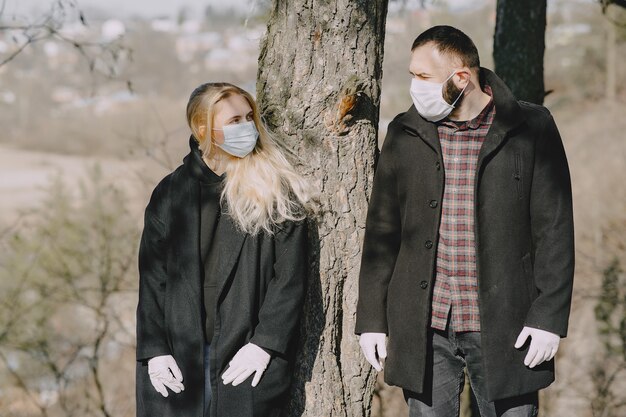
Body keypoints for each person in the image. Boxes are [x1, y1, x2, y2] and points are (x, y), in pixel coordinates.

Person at [355, 25, 574, 417]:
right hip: (424, 326)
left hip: (509, 325)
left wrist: (549, 318)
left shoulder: (532, 127)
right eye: (412, 76)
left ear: (461, 78)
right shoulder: (404, 133)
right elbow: (381, 231)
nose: (414, 87)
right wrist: (372, 318)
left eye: (423, 77)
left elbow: (554, 228)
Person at [135, 82, 313, 417]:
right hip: (178, 359)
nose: (247, 127)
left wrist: (265, 344)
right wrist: (154, 350)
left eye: (249, 117)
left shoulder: (272, 189)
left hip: (244, 357)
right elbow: (151, 279)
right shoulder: (170, 194)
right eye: (234, 121)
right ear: (202, 128)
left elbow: (289, 279)